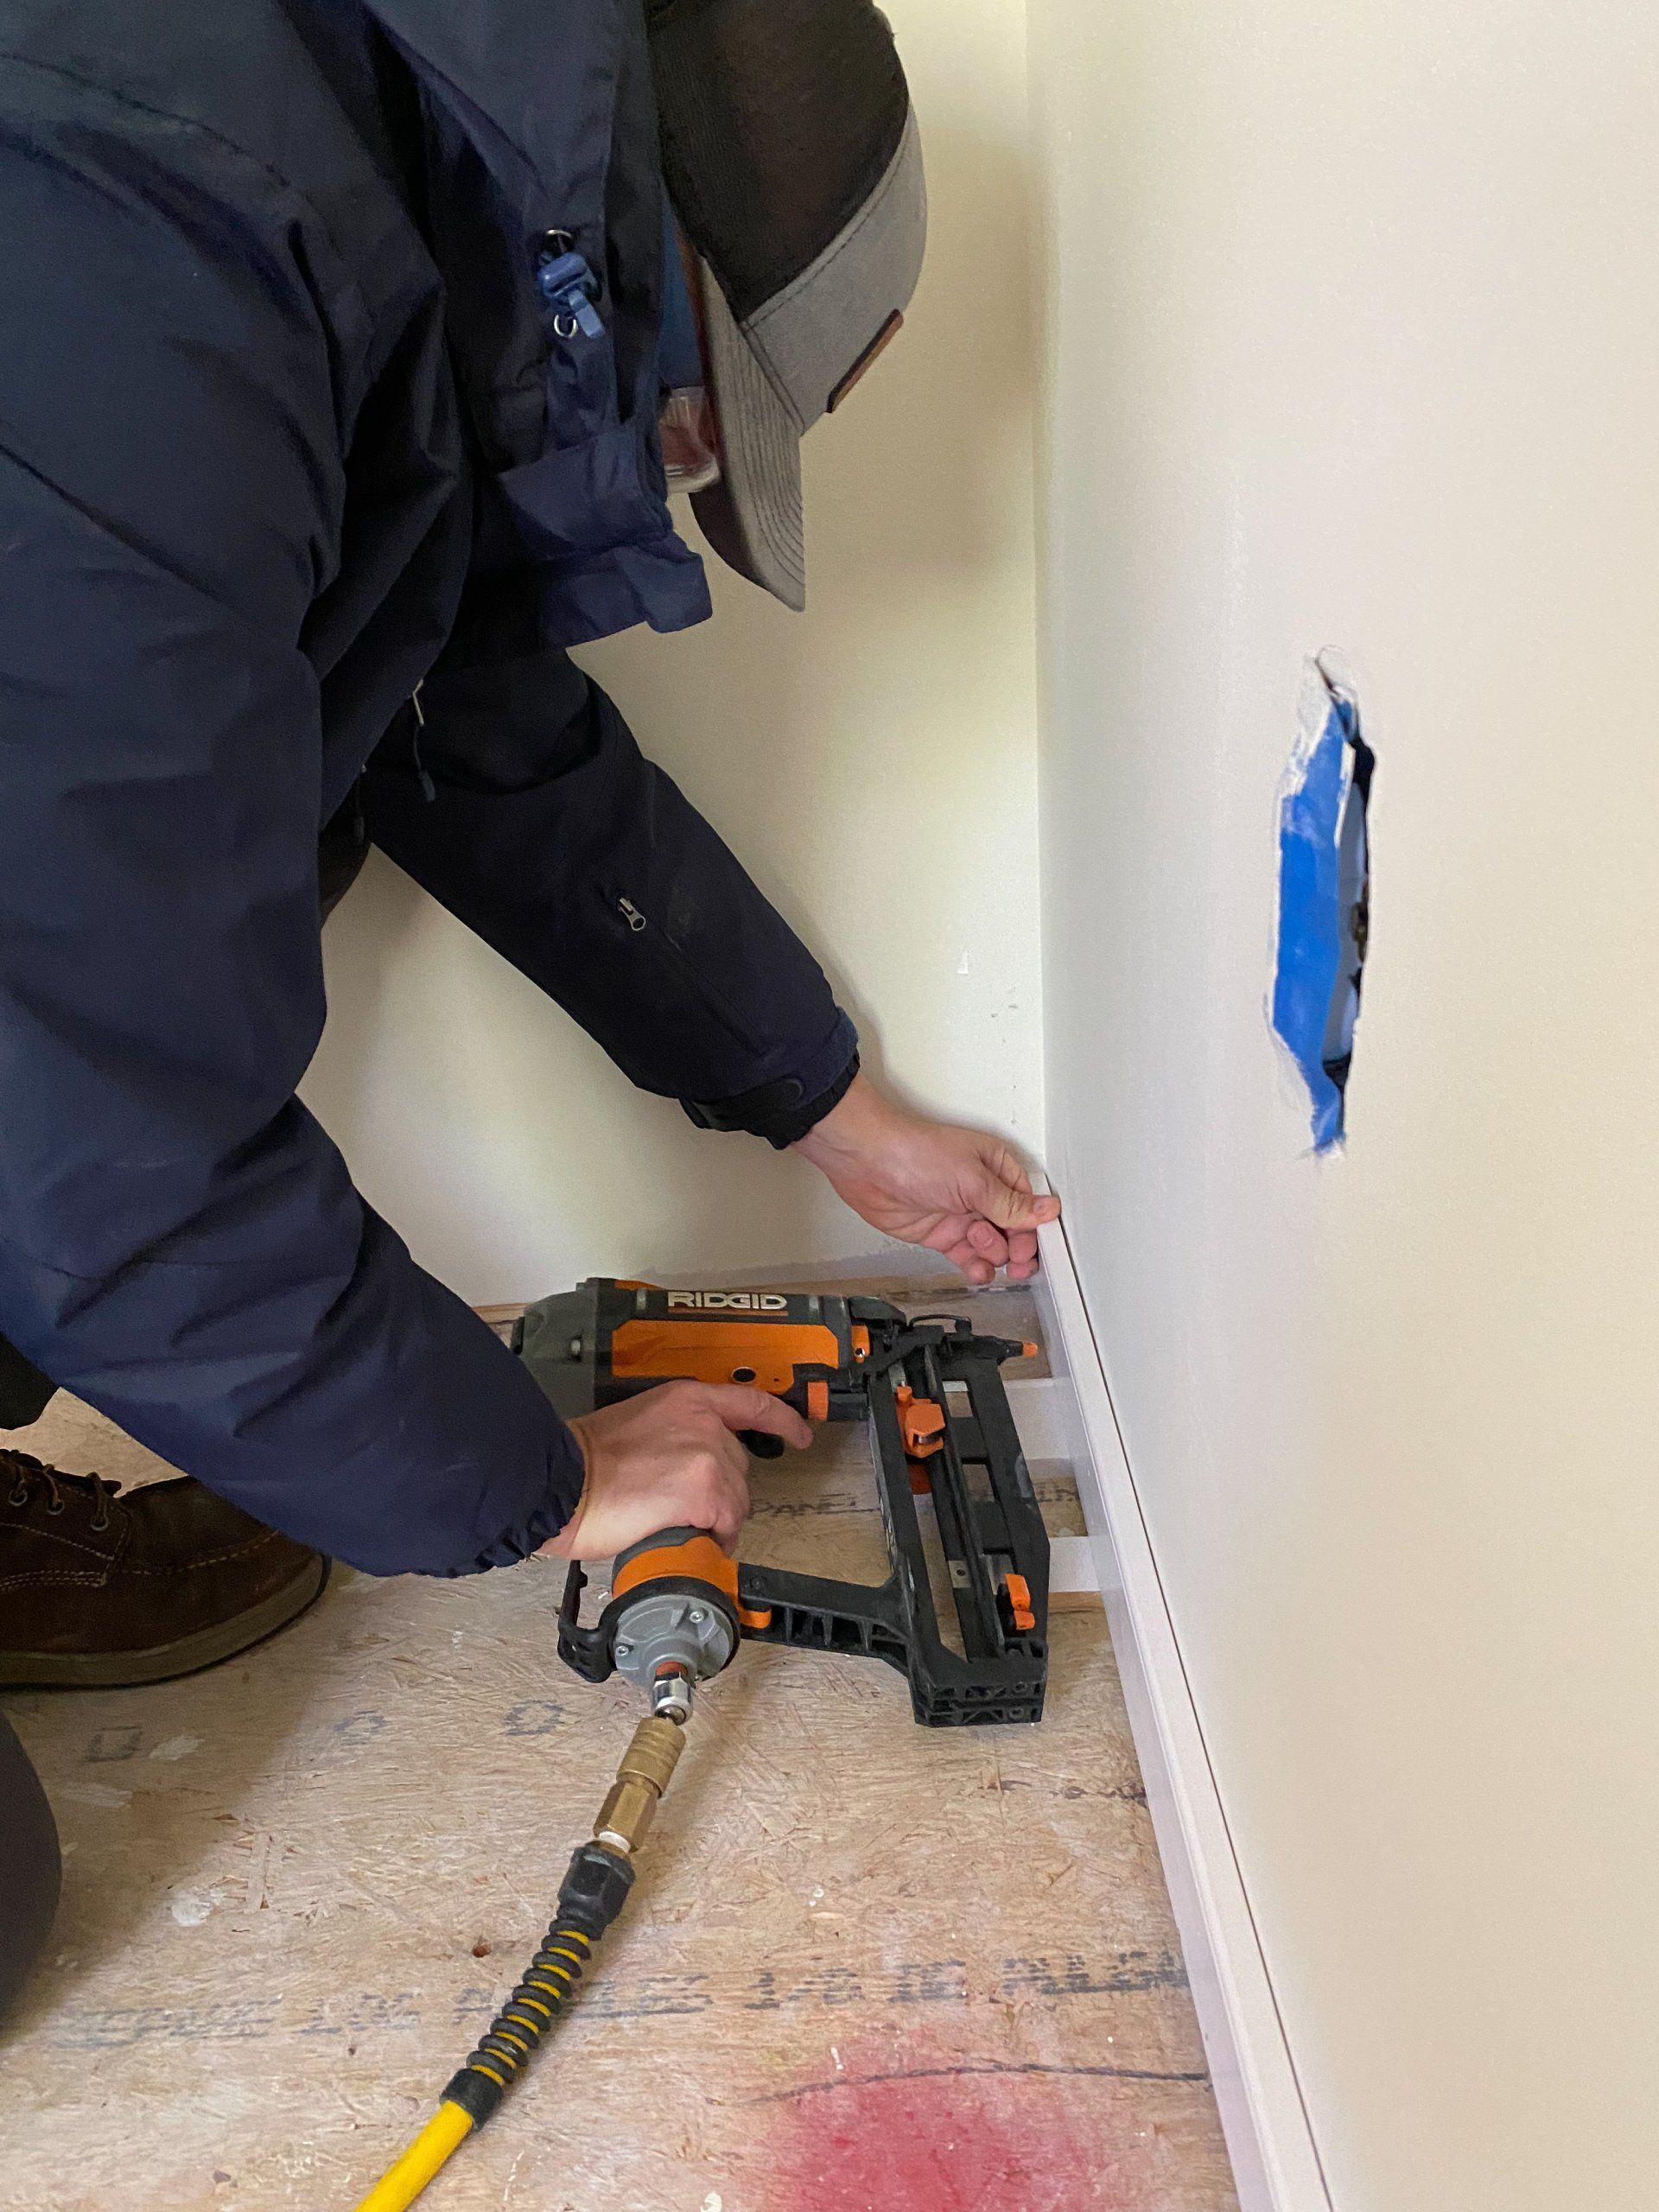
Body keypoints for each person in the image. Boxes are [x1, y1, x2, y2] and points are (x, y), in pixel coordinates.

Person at [0, 0, 1059, 2013]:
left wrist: (832, 1103)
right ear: (632, 242)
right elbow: (97, 1128)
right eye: (697, 417)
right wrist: (557, 1483)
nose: (677, 473)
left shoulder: (331, 201)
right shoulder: (118, 246)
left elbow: (466, 729)